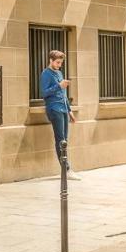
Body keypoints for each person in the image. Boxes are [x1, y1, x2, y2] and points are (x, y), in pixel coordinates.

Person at [40, 50, 80, 180]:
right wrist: (59, 85)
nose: (59, 65)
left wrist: (70, 111)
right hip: (54, 108)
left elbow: (63, 95)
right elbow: (44, 93)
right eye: (57, 62)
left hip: (63, 108)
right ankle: (66, 170)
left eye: (60, 63)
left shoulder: (59, 73)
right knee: (60, 140)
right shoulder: (46, 74)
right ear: (50, 60)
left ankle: (66, 169)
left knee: (65, 141)